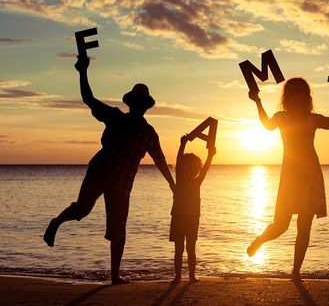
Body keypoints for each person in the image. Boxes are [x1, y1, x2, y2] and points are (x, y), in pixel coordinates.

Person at [43, 56, 175, 285]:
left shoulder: (149, 133)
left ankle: (114, 276)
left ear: (145, 106)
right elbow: (89, 99)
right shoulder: (115, 116)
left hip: (122, 183)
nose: (138, 106)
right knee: (82, 210)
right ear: (131, 103)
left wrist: (173, 185)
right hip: (100, 170)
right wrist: (82, 71)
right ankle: (56, 222)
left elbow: (161, 160)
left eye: (142, 103)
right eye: (136, 101)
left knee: (118, 229)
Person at [246, 77, 329, 282]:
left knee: (304, 227)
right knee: (281, 224)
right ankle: (260, 240)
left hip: (310, 176)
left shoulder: (313, 118)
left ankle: (295, 272)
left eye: (300, 91)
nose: (297, 95)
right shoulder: (282, 117)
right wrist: (257, 102)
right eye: (292, 91)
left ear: (306, 96)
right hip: (290, 176)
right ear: (287, 96)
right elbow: (267, 125)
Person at [170, 135, 216, 284]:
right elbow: (178, 159)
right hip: (178, 217)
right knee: (178, 249)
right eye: (189, 167)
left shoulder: (197, 182)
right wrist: (182, 144)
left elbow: (206, 168)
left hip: (192, 219)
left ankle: (191, 276)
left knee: (191, 248)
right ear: (183, 168)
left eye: (195, 168)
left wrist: (210, 155)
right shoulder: (180, 179)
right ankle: (177, 276)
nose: (193, 170)